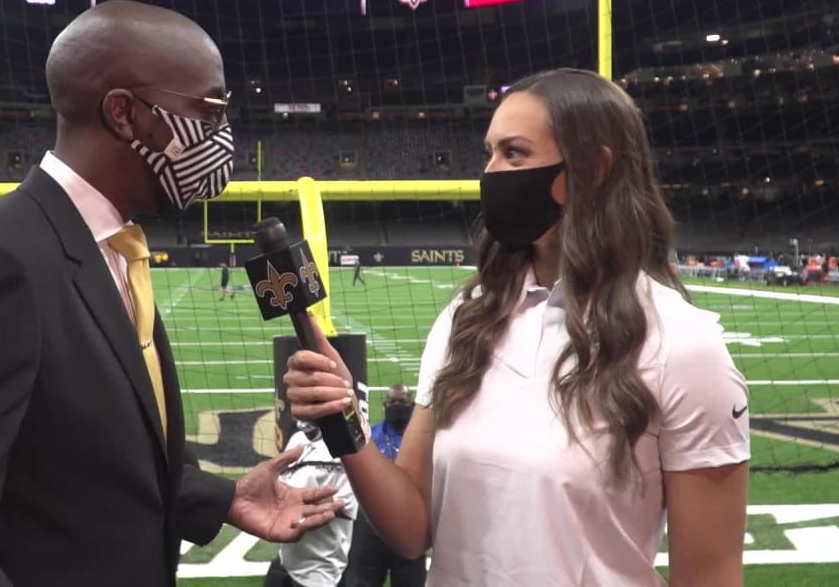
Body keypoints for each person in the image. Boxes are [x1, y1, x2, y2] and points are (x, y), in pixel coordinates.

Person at [0, 0, 343, 587]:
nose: (223, 134)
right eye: (209, 108)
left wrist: (220, 497)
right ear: (124, 113)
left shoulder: (113, 245)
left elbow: (81, 455)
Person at [285, 68, 750, 585]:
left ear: (592, 169)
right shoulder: (465, 320)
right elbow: (412, 528)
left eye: (514, 153)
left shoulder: (683, 345)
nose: (490, 171)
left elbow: (710, 575)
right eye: (489, 152)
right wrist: (344, 419)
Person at [343, 385, 426, 587]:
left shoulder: (420, 438)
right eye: (392, 402)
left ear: (412, 405)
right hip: (371, 521)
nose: (396, 406)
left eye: (402, 402)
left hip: (409, 518)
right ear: (385, 405)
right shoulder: (371, 434)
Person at [263, 421, 358, 587]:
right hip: (286, 562)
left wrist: (297, 507)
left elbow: (345, 503)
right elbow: (282, 486)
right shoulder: (297, 440)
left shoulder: (344, 444)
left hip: (322, 570)